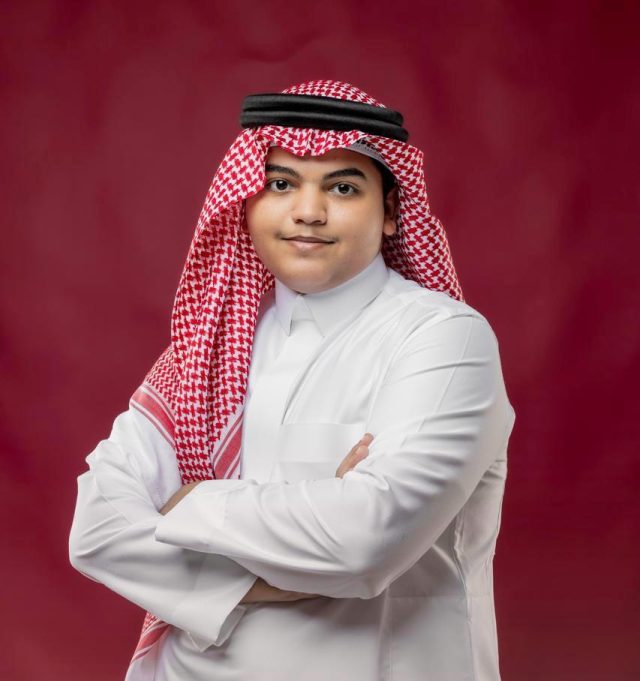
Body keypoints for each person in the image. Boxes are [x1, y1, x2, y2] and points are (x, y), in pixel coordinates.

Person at [69, 79, 516, 680]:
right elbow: (97, 531)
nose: (308, 211)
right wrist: (288, 563)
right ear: (247, 200)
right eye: (281, 184)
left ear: (390, 213)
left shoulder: (444, 338)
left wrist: (190, 502)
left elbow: (366, 540)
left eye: (342, 187)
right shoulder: (209, 347)